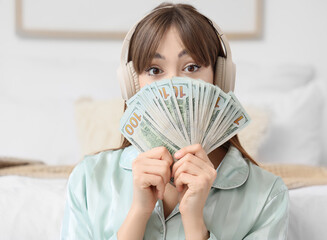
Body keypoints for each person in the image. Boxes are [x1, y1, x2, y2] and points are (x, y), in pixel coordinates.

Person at [61, 3, 289, 240]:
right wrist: (138, 214)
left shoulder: (267, 194)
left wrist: (195, 225)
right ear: (132, 85)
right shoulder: (88, 180)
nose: (173, 86)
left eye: (191, 67)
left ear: (220, 80)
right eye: (154, 69)